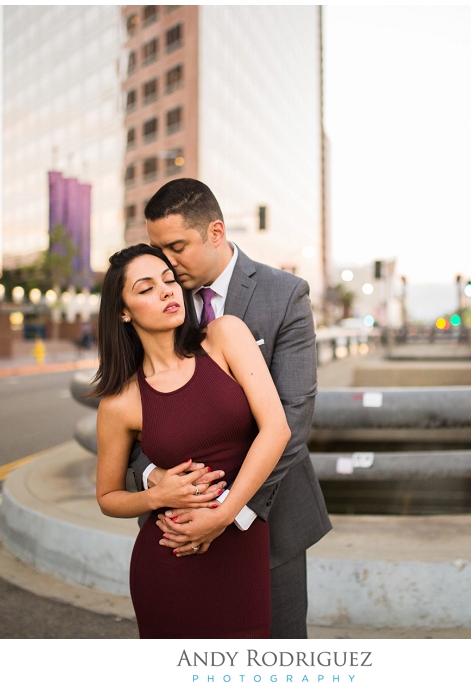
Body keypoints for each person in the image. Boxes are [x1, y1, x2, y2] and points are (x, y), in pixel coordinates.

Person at [131, 178, 332, 639]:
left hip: (269, 520)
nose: (167, 262)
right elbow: (133, 410)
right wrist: (152, 477)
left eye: (177, 246)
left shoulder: (285, 296)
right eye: (158, 249)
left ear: (216, 232)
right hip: (176, 527)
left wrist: (227, 512)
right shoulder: (154, 298)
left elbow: (293, 419)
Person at [92, 244, 291, 638]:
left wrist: (221, 516)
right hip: (171, 560)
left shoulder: (224, 336)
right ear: (123, 311)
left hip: (241, 549)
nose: (167, 291)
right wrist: (156, 495)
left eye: (169, 280)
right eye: (146, 288)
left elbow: (277, 429)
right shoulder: (121, 402)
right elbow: (107, 497)